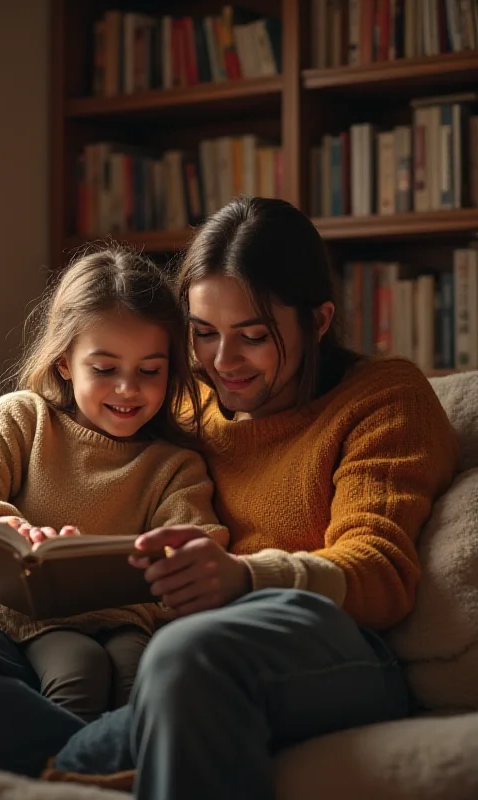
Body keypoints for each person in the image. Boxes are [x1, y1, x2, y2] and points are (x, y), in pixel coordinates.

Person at [44, 197, 459, 800]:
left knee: (189, 654)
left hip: (333, 646)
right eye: (203, 333)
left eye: (254, 336)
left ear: (318, 321)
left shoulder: (382, 397)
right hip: (180, 657)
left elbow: (382, 572)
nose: (222, 361)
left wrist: (243, 578)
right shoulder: (187, 400)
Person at [0, 245, 227, 782]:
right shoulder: (23, 418)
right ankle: (93, 769)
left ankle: (78, 775)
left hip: (113, 636)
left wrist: (130, 581)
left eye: (150, 370)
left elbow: (198, 552)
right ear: (65, 360)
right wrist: (13, 529)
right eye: (105, 367)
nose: (127, 388)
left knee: (120, 673)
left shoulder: (174, 466)